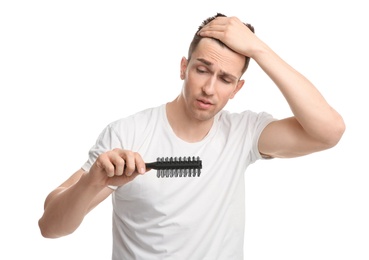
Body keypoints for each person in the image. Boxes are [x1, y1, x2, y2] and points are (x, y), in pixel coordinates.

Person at [38, 13, 345, 259]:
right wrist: (94, 180)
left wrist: (259, 49)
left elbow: (329, 132)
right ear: (184, 68)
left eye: (225, 79)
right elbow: (50, 227)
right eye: (202, 70)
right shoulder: (128, 133)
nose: (210, 88)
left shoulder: (244, 134)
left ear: (237, 88)